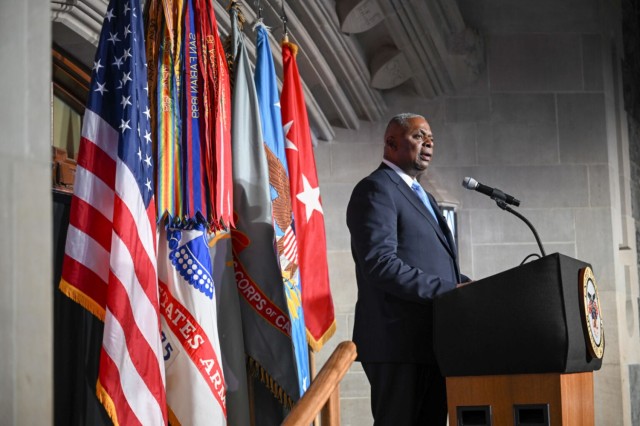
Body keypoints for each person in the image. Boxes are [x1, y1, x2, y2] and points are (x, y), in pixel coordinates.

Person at [346, 113, 470, 425]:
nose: (428, 143)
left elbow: (432, 263)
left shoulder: (423, 196)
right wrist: (449, 291)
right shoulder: (376, 189)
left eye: (431, 138)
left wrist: (471, 287)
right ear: (391, 142)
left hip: (431, 341)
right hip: (398, 342)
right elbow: (380, 264)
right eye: (418, 136)